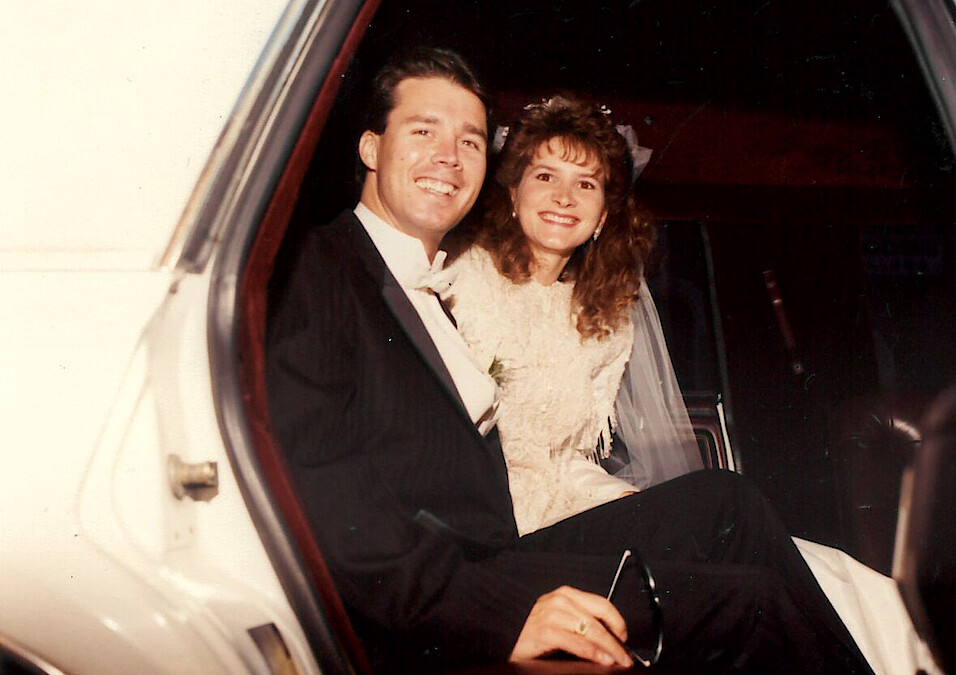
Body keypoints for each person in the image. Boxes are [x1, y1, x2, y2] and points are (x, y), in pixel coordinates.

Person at [265, 46, 874, 673]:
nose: (448, 157)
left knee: (729, 504)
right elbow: (314, 483)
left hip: (496, 544)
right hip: (462, 575)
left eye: (470, 142)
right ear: (370, 147)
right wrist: (497, 611)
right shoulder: (319, 269)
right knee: (756, 605)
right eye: (423, 132)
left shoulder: (425, 283)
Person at [444, 94, 704, 535]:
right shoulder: (461, 279)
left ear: (602, 214)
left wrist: (622, 501)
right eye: (546, 176)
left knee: (725, 515)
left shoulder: (606, 321)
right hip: (483, 521)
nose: (564, 198)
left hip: (567, 513)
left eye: (586, 184)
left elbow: (566, 458)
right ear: (513, 193)